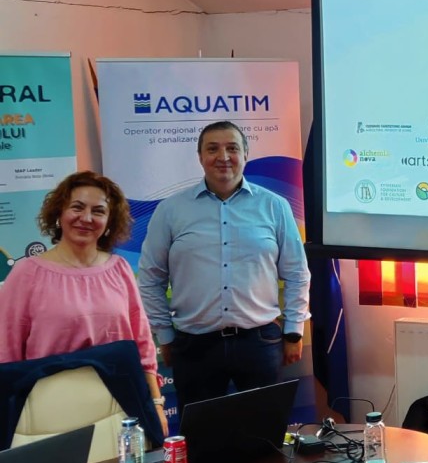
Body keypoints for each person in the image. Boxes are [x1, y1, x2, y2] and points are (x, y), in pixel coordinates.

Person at [139, 122, 310, 407]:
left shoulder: (275, 206)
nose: (223, 156)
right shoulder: (170, 210)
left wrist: (294, 330)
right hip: (195, 346)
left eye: (232, 148)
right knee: (201, 432)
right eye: (213, 149)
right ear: (200, 157)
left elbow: (296, 273)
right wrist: (165, 335)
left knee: (263, 430)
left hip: (259, 343)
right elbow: (150, 278)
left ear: (245, 154)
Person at [0, 171, 166, 432]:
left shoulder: (120, 269)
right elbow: (7, 354)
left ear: (109, 222)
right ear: (59, 213)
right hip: (49, 414)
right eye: (77, 207)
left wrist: (156, 403)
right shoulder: (27, 274)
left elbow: (143, 346)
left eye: (98, 211)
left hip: (120, 409)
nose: (86, 218)